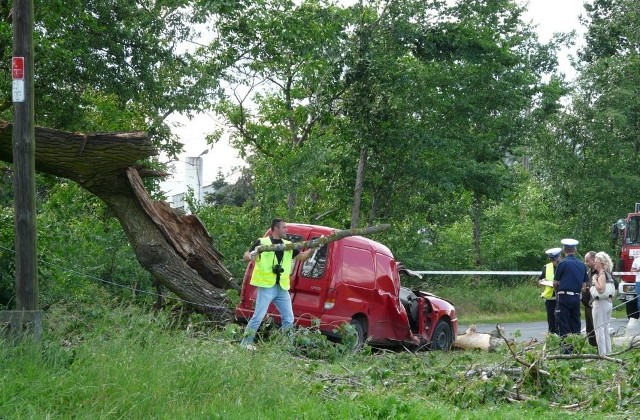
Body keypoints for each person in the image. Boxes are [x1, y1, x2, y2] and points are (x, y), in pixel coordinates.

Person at [239, 218, 317, 350]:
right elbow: (247, 255)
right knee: (258, 316)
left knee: (289, 318)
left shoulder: (288, 244)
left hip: (281, 287)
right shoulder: (262, 242)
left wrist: (313, 249)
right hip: (266, 286)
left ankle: (287, 346)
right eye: (284, 227)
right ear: (276, 228)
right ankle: (245, 343)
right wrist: (251, 255)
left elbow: (302, 257)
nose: (287, 230)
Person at [553, 238, 589, 353]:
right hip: (575, 296)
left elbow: (555, 282)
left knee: (563, 322)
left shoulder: (562, 263)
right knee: (575, 322)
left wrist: (558, 292)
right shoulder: (581, 265)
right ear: (575, 249)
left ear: (564, 250)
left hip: (563, 296)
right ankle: (576, 348)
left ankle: (566, 350)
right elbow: (584, 285)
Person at [591, 251, 614, 356]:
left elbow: (600, 289)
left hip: (600, 303)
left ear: (601, 263)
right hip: (608, 303)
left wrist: (594, 280)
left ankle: (602, 355)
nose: (594, 263)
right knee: (605, 328)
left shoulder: (601, 274)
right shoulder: (608, 274)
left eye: (596, 262)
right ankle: (608, 352)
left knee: (599, 329)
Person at [538, 247, 562, 334]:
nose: (554, 262)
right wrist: (544, 282)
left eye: (555, 260)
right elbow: (541, 280)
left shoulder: (564, 266)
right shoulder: (546, 267)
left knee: (561, 322)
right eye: (552, 260)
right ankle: (552, 340)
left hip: (561, 298)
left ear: (559, 257)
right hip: (550, 299)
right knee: (551, 322)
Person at [583, 251, 598, 347]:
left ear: (594, 260)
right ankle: (593, 347)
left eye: (587, 261)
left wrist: (591, 287)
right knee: (589, 329)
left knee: (596, 327)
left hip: (594, 304)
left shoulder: (599, 272)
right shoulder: (589, 271)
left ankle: (599, 349)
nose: (586, 263)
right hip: (587, 304)